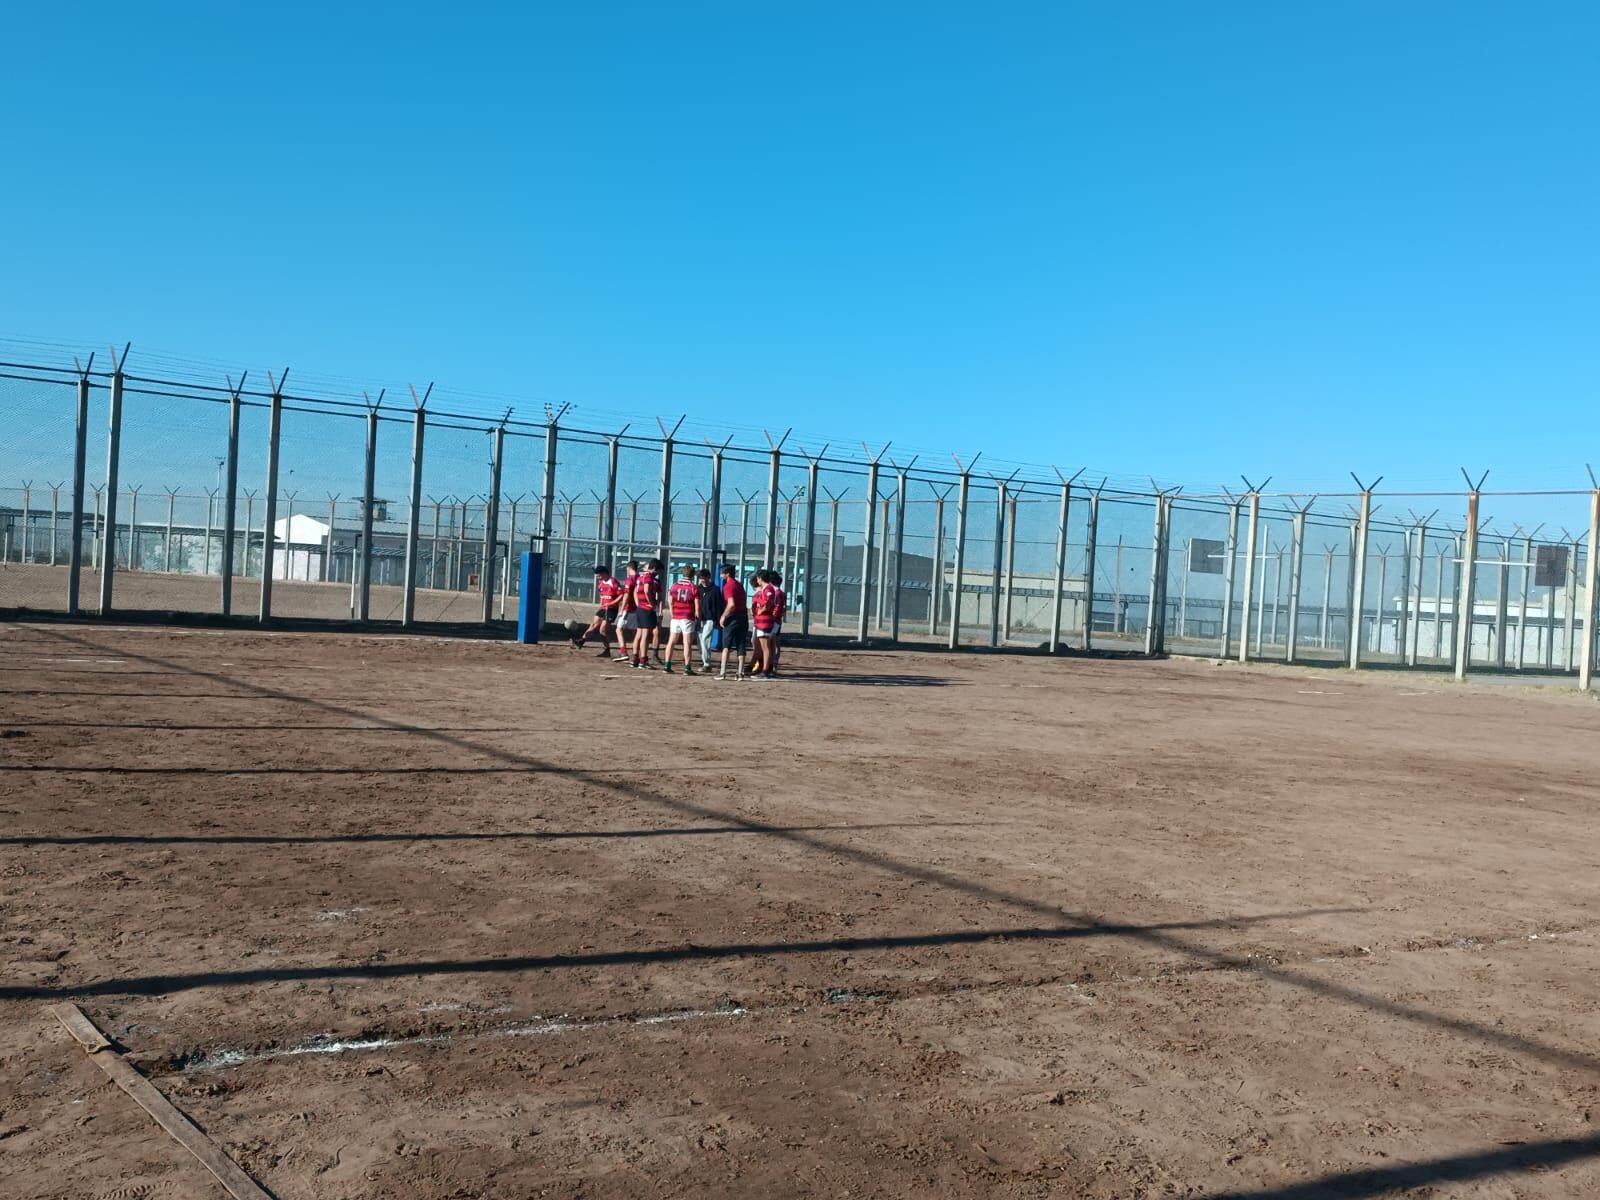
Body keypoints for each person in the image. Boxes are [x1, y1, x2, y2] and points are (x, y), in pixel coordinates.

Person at [574, 565, 625, 656]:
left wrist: (611, 603)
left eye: (599, 575)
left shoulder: (613, 581)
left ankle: (607, 650)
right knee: (593, 624)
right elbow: (602, 596)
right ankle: (581, 641)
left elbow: (621, 595)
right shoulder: (601, 583)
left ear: (604, 573)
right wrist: (601, 605)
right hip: (603, 608)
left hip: (611, 609)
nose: (598, 577)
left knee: (602, 630)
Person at [661, 564, 701, 675]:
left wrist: (672, 612)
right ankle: (687, 667)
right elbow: (697, 606)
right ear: (693, 575)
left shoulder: (674, 585)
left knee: (671, 641)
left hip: (676, 616)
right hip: (687, 616)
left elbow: (670, 600)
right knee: (687, 643)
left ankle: (667, 665)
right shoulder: (693, 587)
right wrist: (698, 617)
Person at [715, 563, 749, 680]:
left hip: (733, 617)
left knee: (726, 646)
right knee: (741, 644)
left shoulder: (728, 586)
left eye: (722, 573)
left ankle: (722, 672)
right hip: (743, 617)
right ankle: (740, 673)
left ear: (727, 574)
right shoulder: (739, 585)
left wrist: (724, 616)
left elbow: (731, 604)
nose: (720, 575)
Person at [628, 558, 662, 668]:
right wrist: (652, 604)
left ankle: (635, 658)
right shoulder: (648, 577)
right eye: (658, 570)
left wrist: (638, 604)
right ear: (655, 569)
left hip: (640, 608)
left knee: (639, 634)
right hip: (646, 609)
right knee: (645, 636)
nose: (658, 573)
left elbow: (635, 591)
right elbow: (647, 591)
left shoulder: (641, 577)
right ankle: (643, 660)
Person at [750, 569, 781, 679]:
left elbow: (769, 602)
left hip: (765, 621)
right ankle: (765, 668)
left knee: (765, 646)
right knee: (764, 645)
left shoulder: (768, 588)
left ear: (760, 578)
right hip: (761, 621)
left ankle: (765, 670)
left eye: (758, 578)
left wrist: (761, 609)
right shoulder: (765, 589)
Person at [613, 561, 639, 659]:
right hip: (638, 609)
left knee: (618, 629)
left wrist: (621, 608)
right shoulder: (640, 578)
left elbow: (626, 596)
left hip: (629, 609)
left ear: (629, 568)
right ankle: (637, 654)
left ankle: (623, 652)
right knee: (636, 632)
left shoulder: (630, 579)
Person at [695, 567, 720, 670]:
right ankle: (704, 661)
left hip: (710, 619)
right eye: (701, 578)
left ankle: (707, 664)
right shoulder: (698, 589)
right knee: (700, 641)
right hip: (700, 618)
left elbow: (718, 606)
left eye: (704, 578)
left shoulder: (715, 590)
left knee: (705, 639)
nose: (702, 580)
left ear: (709, 577)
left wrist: (717, 620)